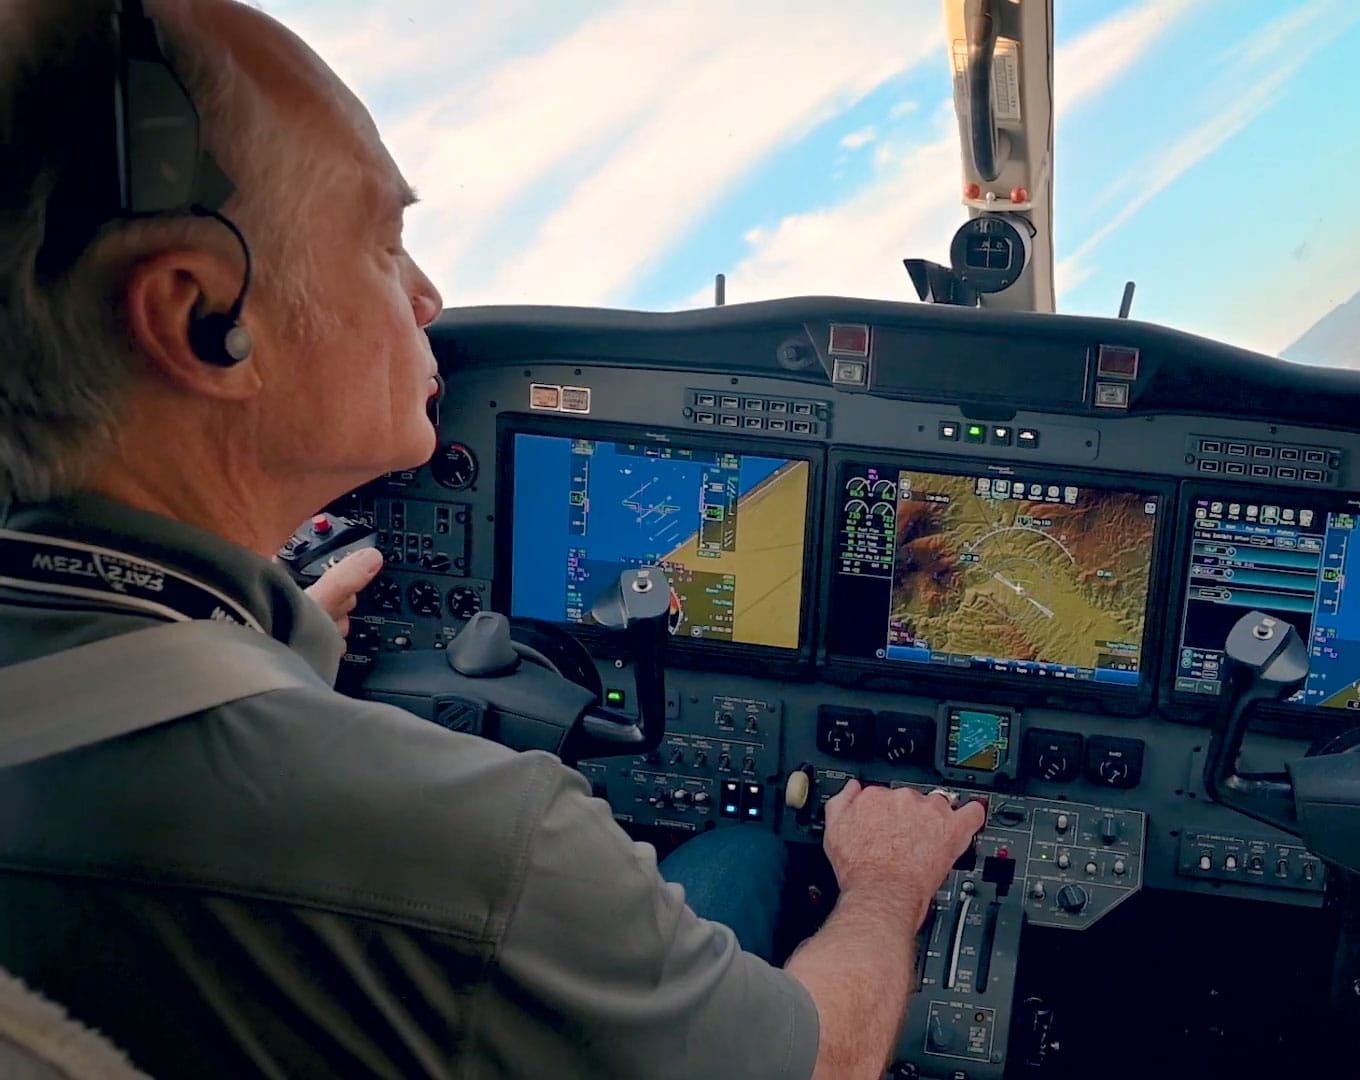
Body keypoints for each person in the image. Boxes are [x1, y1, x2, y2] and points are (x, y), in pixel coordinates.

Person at [0, 1, 986, 1077]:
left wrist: (258, 661)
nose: (428, 297)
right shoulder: (482, 840)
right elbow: (828, 1062)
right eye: (384, 242)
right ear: (197, 314)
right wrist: (888, 882)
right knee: (751, 854)